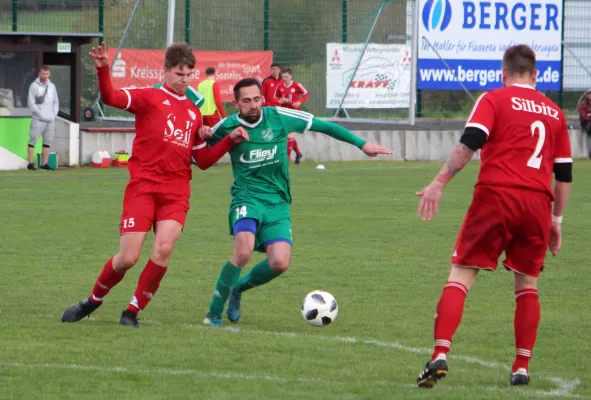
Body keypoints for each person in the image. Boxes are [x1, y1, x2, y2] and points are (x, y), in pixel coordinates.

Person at [414, 45, 572, 388]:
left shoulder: (494, 99)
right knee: (527, 284)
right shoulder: (556, 113)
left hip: (496, 196)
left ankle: (440, 354)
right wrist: (556, 222)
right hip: (536, 204)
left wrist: (438, 183)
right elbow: (564, 176)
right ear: (536, 75)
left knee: (461, 274)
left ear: (503, 74)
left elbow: (471, 142)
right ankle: (521, 367)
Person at [61, 41, 248, 328]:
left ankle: (132, 311)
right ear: (165, 72)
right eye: (179, 74)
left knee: (163, 249)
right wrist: (103, 68)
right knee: (128, 258)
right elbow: (110, 96)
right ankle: (93, 301)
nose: (184, 80)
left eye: (188, 75)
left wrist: (228, 140)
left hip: (176, 192)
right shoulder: (148, 97)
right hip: (143, 188)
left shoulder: (193, 112)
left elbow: (204, 160)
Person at [201, 78, 391, 327]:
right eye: (246, 101)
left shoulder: (279, 116)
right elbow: (201, 152)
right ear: (236, 103)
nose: (253, 105)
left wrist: (362, 144)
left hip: (277, 201)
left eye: (257, 99)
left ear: (262, 99)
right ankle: (213, 315)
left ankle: (237, 289)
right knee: (243, 250)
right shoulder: (226, 126)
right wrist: (203, 133)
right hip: (246, 197)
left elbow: (323, 126)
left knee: (279, 263)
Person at [27, 65, 59, 170]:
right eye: (42, 73)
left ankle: (44, 164)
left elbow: (55, 102)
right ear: (39, 74)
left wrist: (54, 114)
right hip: (38, 119)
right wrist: (40, 114)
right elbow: (31, 103)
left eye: (46, 74)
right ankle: (30, 163)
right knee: (33, 140)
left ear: (49, 74)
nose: (44, 76)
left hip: (50, 120)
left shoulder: (52, 86)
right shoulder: (34, 86)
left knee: (47, 142)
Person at [577, 90, 591, 159]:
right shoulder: (583, 105)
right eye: (590, 94)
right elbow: (584, 116)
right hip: (586, 124)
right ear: (587, 95)